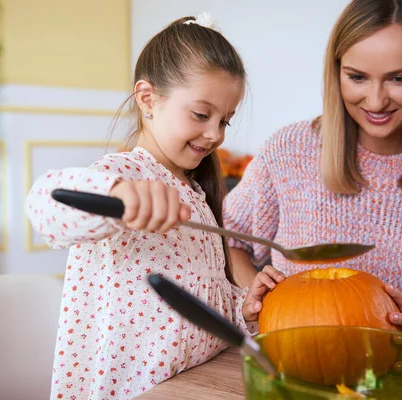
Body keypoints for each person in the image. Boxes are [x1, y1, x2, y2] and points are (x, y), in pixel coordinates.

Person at [26, 14, 283, 400]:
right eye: (201, 114)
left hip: (192, 385)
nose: (215, 134)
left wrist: (244, 308)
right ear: (147, 99)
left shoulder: (197, 197)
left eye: (225, 121)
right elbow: (45, 204)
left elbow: (203, 302)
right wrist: (119, 195)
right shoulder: (122, 174)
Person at [224, 0, 402, 359]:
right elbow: (227, 238)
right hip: (297, 369)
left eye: (400, 78)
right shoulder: (288, 151)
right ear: (336, 72)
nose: (376, 100)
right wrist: (253, 292)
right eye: (357, 77)